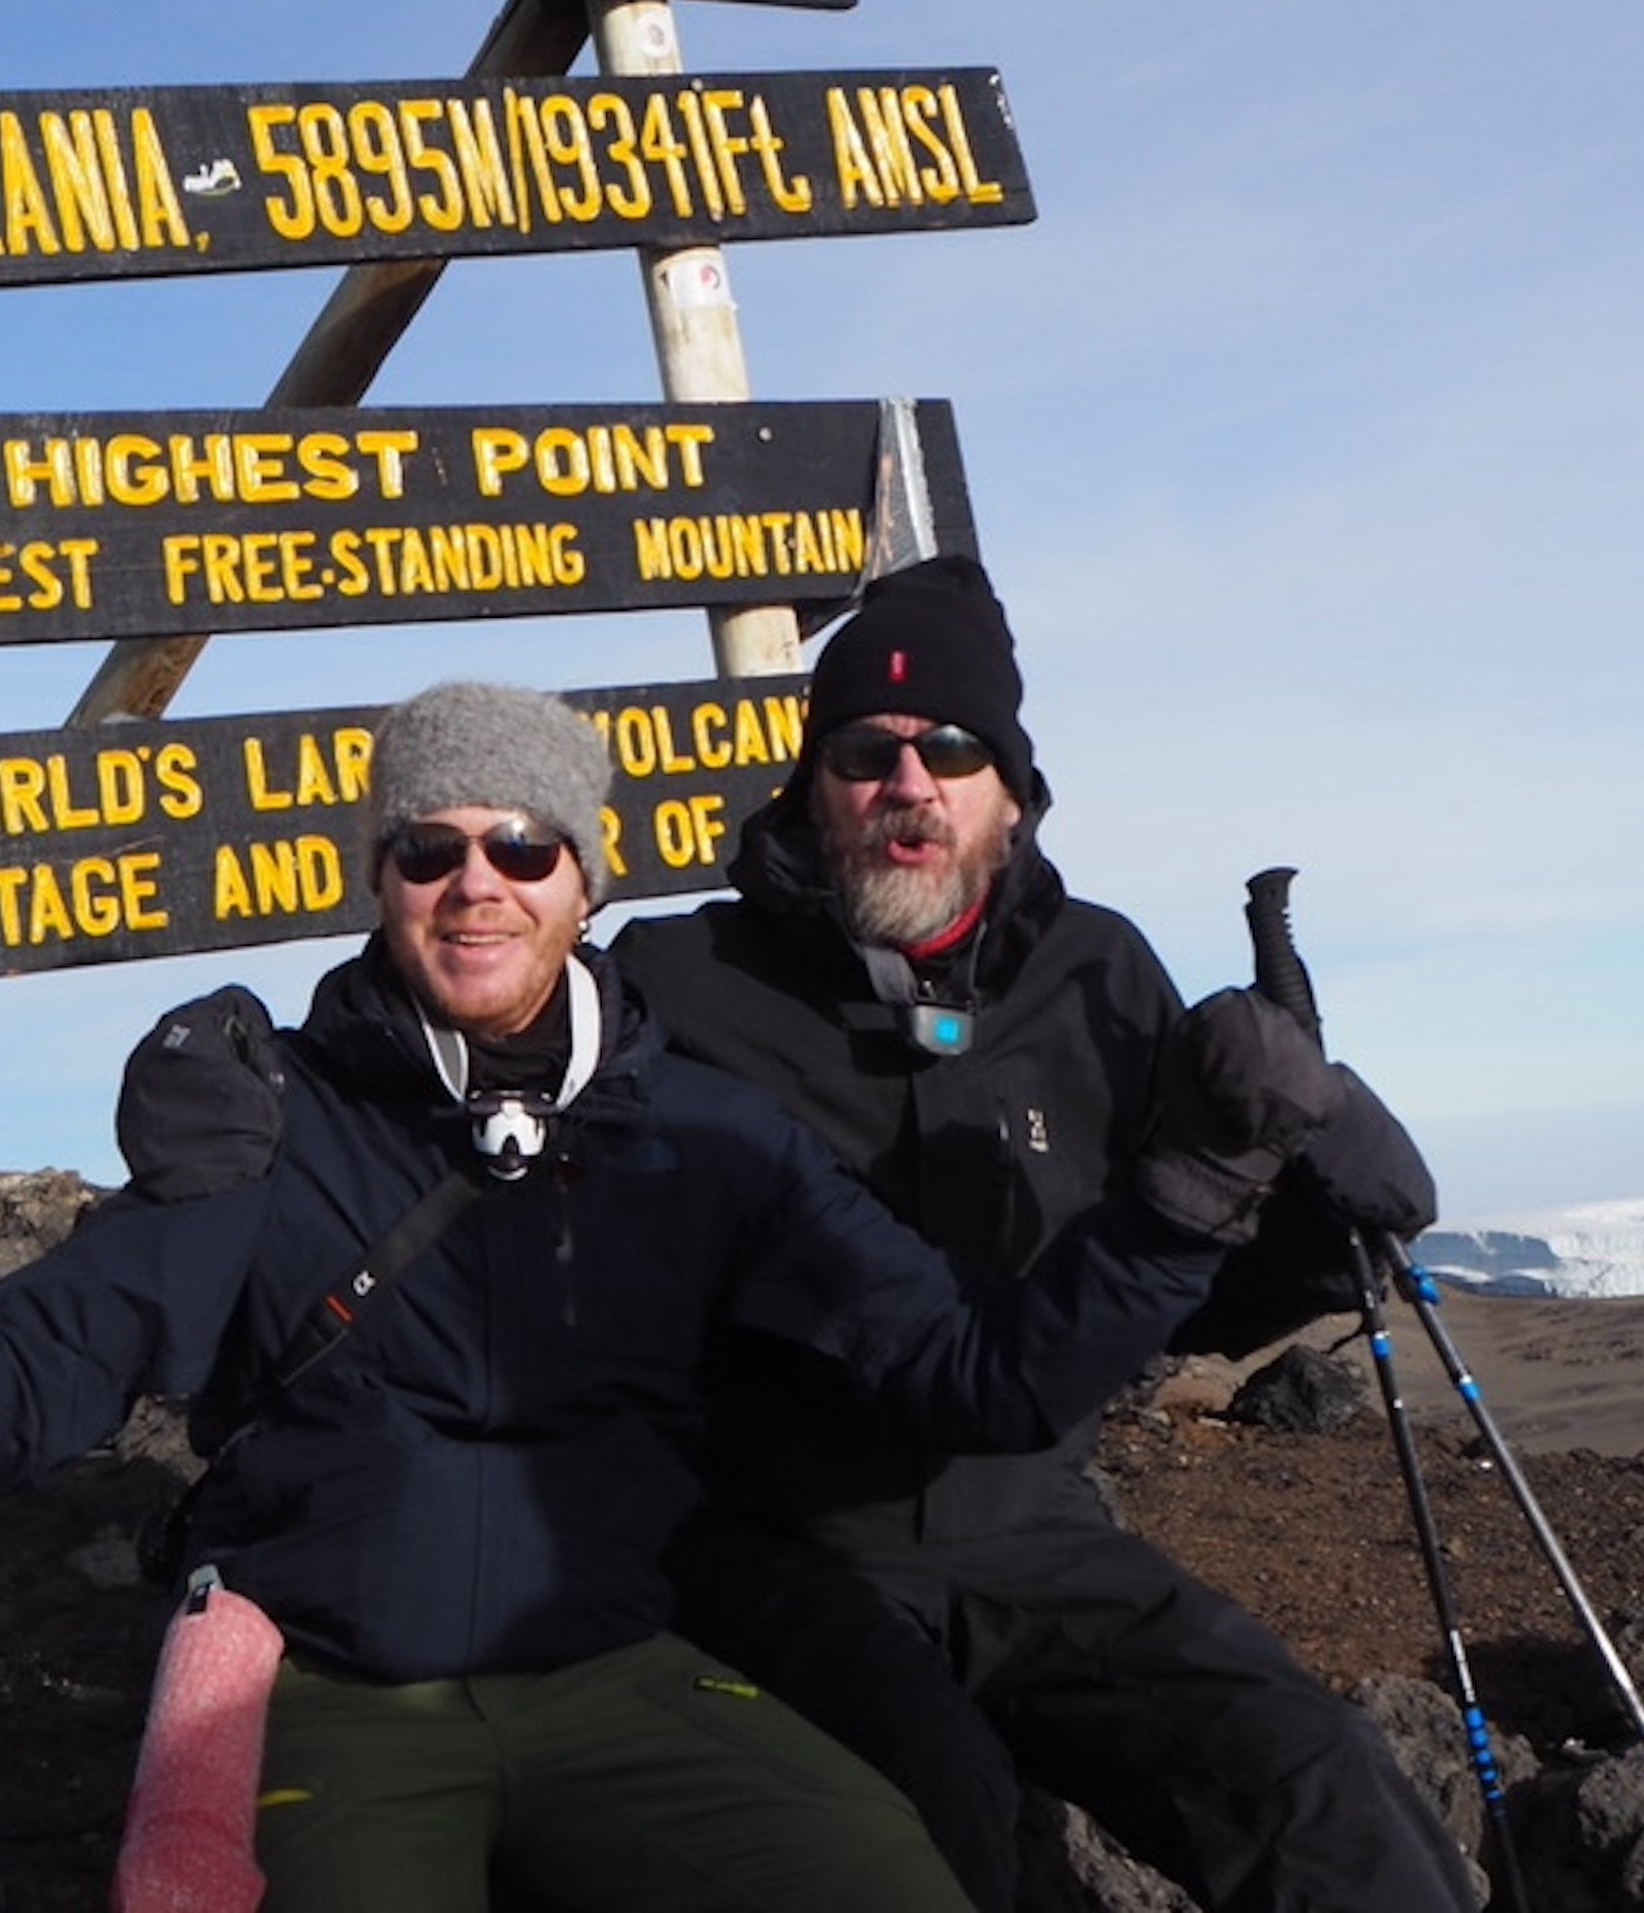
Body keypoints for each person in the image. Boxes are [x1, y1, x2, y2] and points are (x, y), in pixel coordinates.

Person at [0, 678, 1358, 1913]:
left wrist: (1189, 1189)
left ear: (586, 882)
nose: (476, 880)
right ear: (380, 877)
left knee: (890, 1878)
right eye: (429, 847)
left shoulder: (711, 1139)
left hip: (619, 1674)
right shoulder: (266, 1121)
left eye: (522, 844)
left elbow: (977, 1378)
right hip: (341, 1696)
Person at [614, 557, 1479, 1913]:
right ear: (811, 787)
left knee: (1312, 1778)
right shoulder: (674, 983)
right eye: (864, 751)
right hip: (766, 1538)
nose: (908, 783)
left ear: (1012, 794)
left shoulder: (1098, 972)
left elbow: (1188, 1294)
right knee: (944, 1811)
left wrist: (1314, 1218)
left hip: (1036, 1533)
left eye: (953, 750)